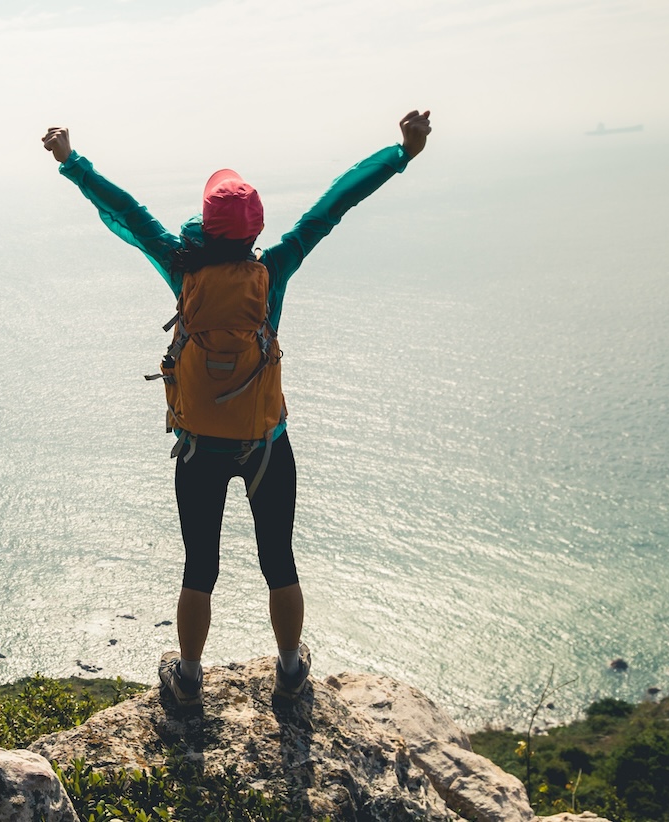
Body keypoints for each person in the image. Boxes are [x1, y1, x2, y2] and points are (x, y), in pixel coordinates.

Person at [41, 111, 431, 706]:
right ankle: (291, 672)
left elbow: (128, 212)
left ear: (207, 222)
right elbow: (332, 207)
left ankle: (191, 680)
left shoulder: (182, 267)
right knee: (279, 559)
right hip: (265, 442)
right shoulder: (272, 269)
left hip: (199, 445)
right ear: (254, 229)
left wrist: (72, 162)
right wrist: (399, 153)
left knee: (200, 565)